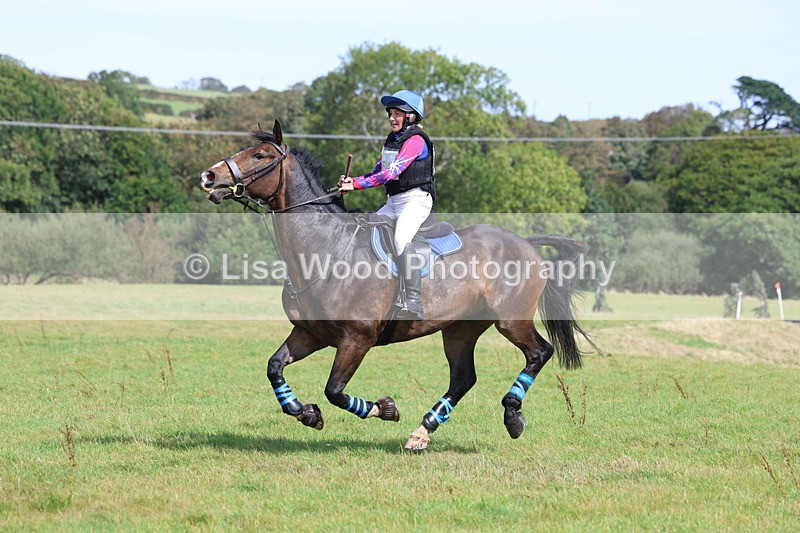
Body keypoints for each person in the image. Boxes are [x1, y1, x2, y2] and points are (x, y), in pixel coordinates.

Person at [338, 90, 436, 320]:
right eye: (390, 113)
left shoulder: (415, 141)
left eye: (397, 113)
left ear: (411, 116)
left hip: (416, 200)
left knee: (401, 240)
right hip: (394, 202)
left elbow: (391, 173)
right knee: (365, 230)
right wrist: (353, 181)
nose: (392, 118)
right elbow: (377, 171)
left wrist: (357, 186)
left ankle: (413, 300)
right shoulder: (393, 140)